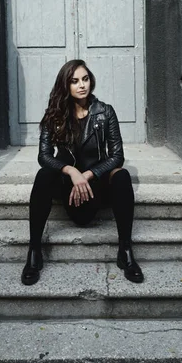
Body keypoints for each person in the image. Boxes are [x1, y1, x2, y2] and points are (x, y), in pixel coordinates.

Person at [21, 59, 144, 286]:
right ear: (65, 85)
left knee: (122, 176)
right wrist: (71, 172)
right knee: (43, 175)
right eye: (75, 81)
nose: (82, 85)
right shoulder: (54, 115)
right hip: (67, 187)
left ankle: (125, 251)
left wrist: (87, 175)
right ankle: (34, 252)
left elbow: (117, 156)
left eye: (85, 79)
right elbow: (44, 156)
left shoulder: (105, 112)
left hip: (96, 187)